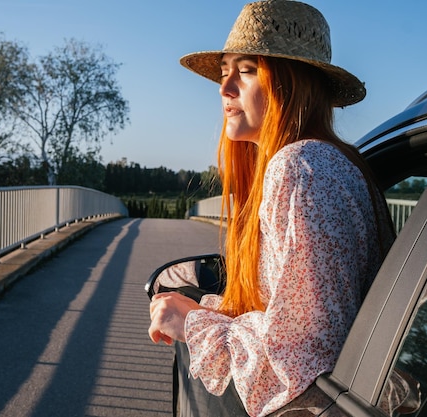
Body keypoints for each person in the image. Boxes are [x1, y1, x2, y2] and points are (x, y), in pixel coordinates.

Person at [148, 1, 396, 416]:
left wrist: (193, 323)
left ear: (290, 82)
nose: (225, 89)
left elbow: (302, 352)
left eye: (245, 71)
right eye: (224, 72)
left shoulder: (299, 168)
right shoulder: (335, 162)